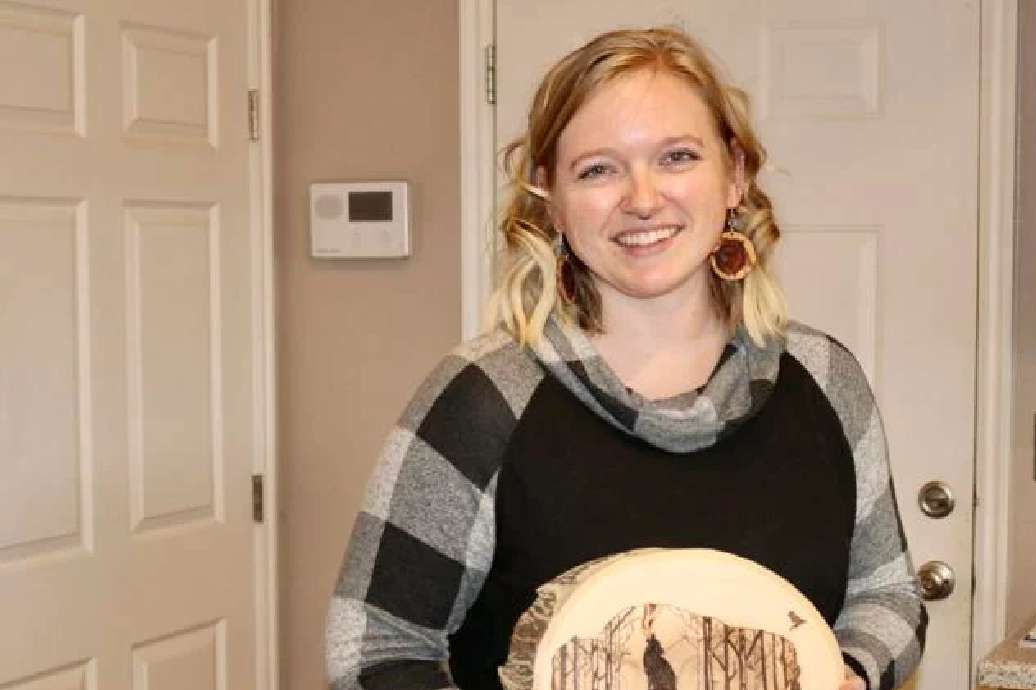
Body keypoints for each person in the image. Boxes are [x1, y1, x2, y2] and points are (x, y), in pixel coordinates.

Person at [326, 26, 925, 690]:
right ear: (550, 198)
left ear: (735, 175)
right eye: (599, 169)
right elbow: (376, 649)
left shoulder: (825, 380)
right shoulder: (482, 400)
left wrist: (847, 674)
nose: (642, 199)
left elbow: (887, 593)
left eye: (676, 157)